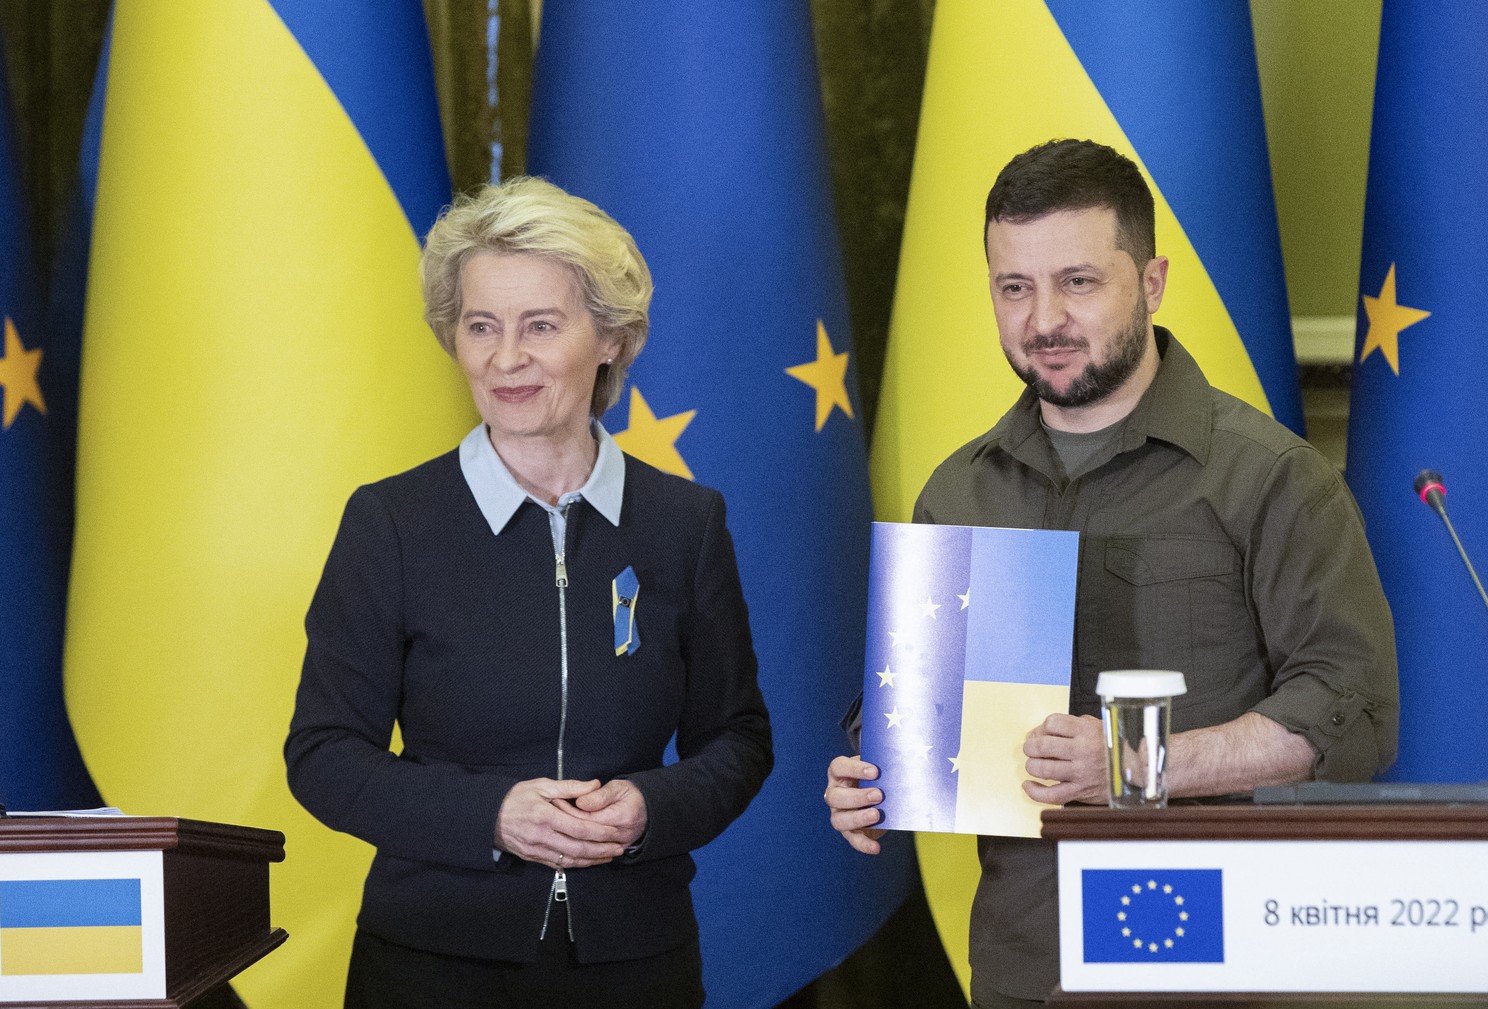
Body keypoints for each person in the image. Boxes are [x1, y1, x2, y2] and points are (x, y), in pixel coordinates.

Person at [824, 139, 1397, 1008]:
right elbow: (918, 707)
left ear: (1153, 282)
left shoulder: (1272, 478)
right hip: (1026, 965)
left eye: (1078, 282)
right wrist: (874, 770)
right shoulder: (959, 488)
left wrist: (1133, 767)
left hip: (1220, 964)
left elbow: (1350, 717)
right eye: (1014, 287)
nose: (1043, 317)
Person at [286, 176, 773, 1009]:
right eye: (481, 326)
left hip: (636, 965)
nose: (505, 358)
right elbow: (324, 754)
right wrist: (493, 813)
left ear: (611, 338)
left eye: (540, 326)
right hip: (429, 963)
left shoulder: (685, 523)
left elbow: (736, 739)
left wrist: (650, 807)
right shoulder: (391, 523)